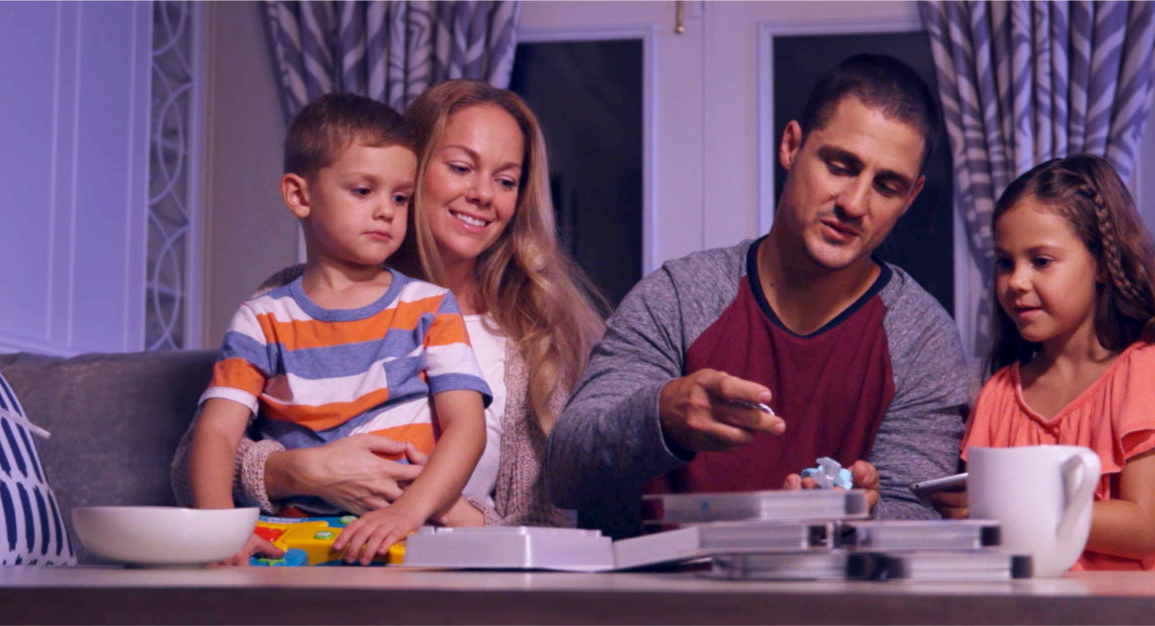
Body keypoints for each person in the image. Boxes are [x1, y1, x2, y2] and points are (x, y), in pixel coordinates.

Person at [170, 81, 605, 562]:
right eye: (461, 168)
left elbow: (549, 533)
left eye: (506, 181)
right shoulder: (278, 303)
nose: (484, 194)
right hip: (298, 558)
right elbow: (194, 463)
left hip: (443, 570)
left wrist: (432, 506)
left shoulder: (536, 337)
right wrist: (301, 471)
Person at [544, 54, 969, 539]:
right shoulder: (679, 297)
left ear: (910, 198)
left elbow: (916, 516)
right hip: (666, 602)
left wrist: (859, 514)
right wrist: (662, 416)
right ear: (791, 146)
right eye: (839, 165)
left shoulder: (921, 338)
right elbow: (565, 470)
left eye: (885, 186)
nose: (854, 203)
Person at [187, 93, 491, 565]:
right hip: (292, 545)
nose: (387, 211)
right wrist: (219, 535)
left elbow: (467, 427)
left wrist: (407, 513)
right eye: (363, 190)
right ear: (299, 195)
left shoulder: (429, 306)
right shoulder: (261, 318)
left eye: (400, 197)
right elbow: (217, 435)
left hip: (407, 537)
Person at [932, 154, 1155, 571]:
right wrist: (967, 516)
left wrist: (1003, 511)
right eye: (1004, 262)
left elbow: (1142, 528)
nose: (1016, 281)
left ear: (1102, 267)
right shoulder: (998, 395)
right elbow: (989, 539)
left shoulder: (1147, 374)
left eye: (1041, 261)